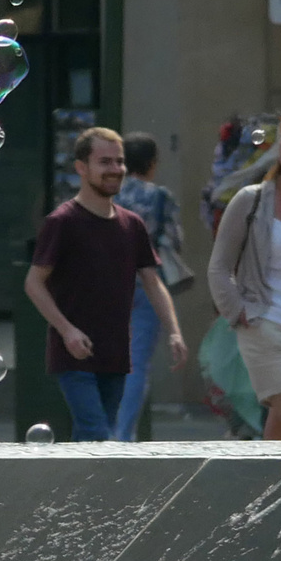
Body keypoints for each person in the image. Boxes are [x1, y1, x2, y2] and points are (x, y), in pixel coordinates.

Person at [24, 127, 188, 442]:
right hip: (75, 355)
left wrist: (175, 332)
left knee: (98, 442)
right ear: (81, 168)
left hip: (115, 354)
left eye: (119, 162)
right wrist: (66, 330)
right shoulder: (63, 222)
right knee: (95, 433)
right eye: (105, 162)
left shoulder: (132, 224)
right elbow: (33, 283)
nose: (115, 170)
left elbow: (152, 283)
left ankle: (76, 490)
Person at [113, 133, 185, 441]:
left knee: (102, 359)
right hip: (146, 282)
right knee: (136, 363)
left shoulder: (108, 192)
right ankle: (121, 436)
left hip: (107, 283)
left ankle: (98, 431)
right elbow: (174, 241)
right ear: (152, 164)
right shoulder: (160, 197)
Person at [207, 159, 281, 441]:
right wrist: (238, 311)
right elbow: (219, 267)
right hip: (262, 320)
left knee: (279, 414)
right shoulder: (251, 199)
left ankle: (270, 479)